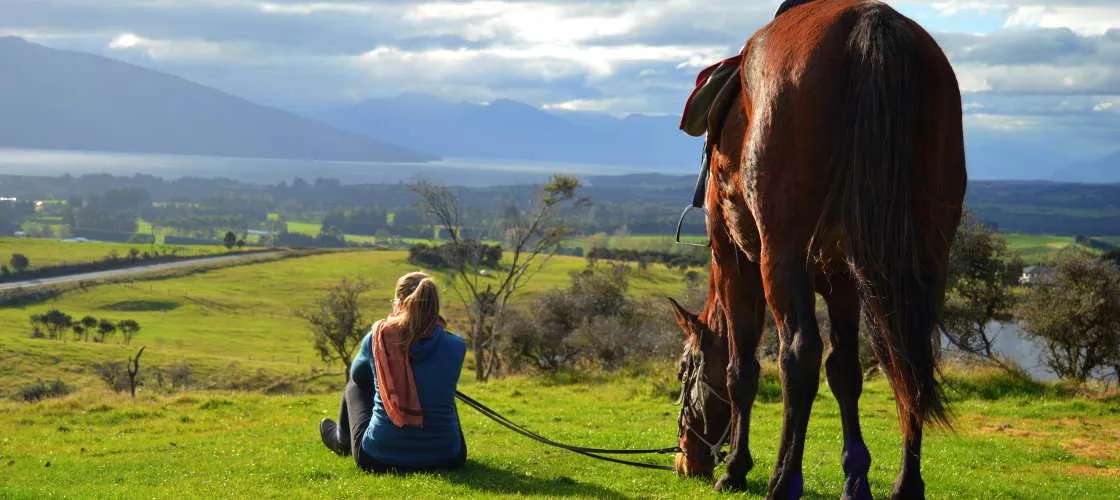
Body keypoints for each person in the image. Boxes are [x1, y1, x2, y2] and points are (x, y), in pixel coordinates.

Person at [318, 272, 468, 472]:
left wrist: (384, 372)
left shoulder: (377, 339)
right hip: (449, 457)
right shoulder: (456, 345)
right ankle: (435, 444)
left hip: (380, 458)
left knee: (354, 385)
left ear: (398, 302)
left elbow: (359, 377)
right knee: (444, 391)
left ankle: (342, 440)